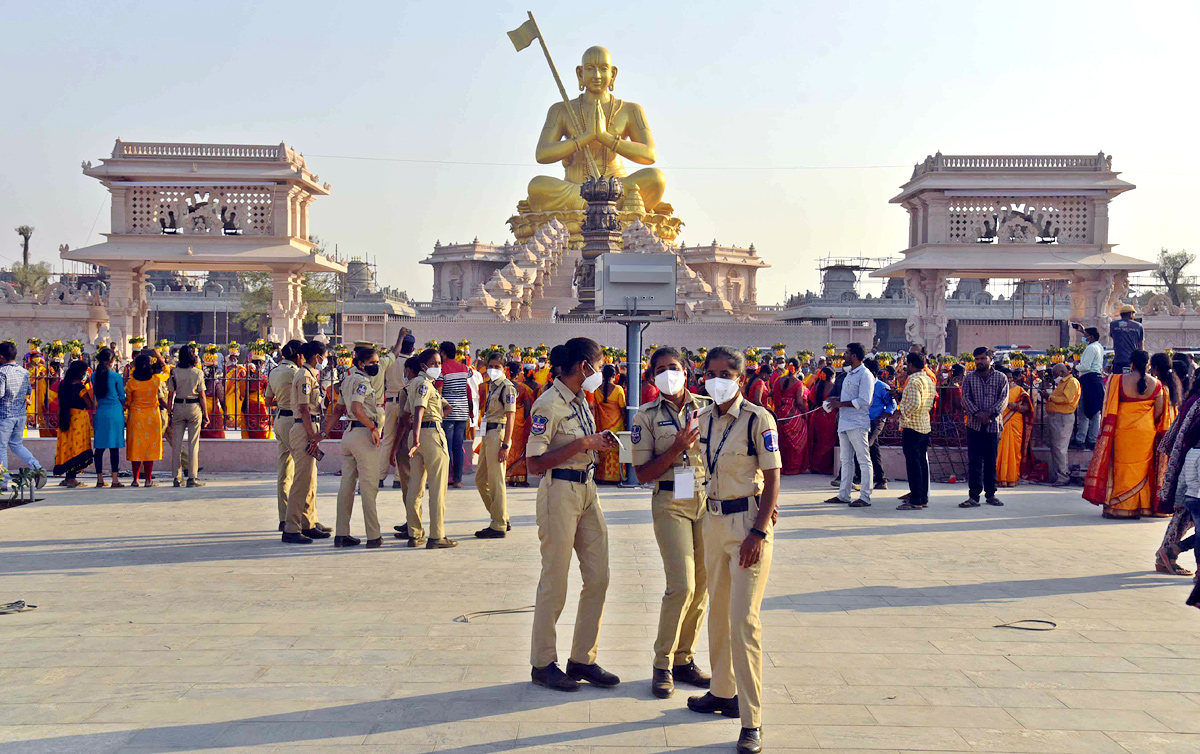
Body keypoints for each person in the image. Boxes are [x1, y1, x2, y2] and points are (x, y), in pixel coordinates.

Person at [686, 346, 780, 754]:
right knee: (718, 614)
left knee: (744, 623)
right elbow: (696, 470)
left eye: (726, 372)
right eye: (711, 372)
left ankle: (751, 719)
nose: (717, 379)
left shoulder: (757, 419)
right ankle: (722, 692)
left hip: (747, 525)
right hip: (713, 520)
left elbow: (774, 477)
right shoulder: (703, 419)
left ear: (741, 377)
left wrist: (758, 532)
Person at [526, 337, 620, 693]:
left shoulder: (581, 400)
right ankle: (543, 662)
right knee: (556, 579)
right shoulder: (548, 404)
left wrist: (598, 443)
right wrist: (582, 444)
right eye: (598, 364)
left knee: (599, 577)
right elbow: (534, 463)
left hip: (587, 489)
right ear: (584, 366)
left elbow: (584, 442)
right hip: (559, 491)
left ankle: (582, 657)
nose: (600, 370)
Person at [631, 346, 712, 700]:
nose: (669, 373)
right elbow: (641, 473)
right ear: (652, 376)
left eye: (674, 367)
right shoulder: (645, 416)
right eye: (661, 368)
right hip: (670, 500)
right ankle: (662, 662)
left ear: (686, 370)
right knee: (681, 584)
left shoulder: (708, 409)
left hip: (707, 501)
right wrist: (676, 447)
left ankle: (684, 658)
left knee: (702, 589)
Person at [1084, 350, 1170, 519]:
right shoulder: (1157, 384)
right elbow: (1159, 412)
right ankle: (1142, 506)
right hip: (1146, 432)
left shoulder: (1118, 380)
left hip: (1122, 431)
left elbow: (1109, 406)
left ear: (1131, 363)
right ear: (1148, 365)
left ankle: (1117, 506)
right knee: (1143, 469)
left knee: (1121, 467)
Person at [324, 345, 384, 548]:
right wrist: (373, 427)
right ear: (361, 364)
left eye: (377, 362)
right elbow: (358, 409)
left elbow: (338, 409)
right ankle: (374, 536)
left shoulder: (347, 380)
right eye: (372, 363)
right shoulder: (361, 382)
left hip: (348, 434)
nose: (375, 366)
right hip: (362, 434)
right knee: (369, 487)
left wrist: (323, 433)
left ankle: (342, 534)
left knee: (346, 487)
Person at [404, 348, 456, 549]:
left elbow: (409, 412)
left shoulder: (414, 384)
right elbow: (419, 410)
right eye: (434, 363)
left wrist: (414, 438)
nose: (438, 367)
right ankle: (437, 535)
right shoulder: (425, 385)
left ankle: (414, 533)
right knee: (437, 488)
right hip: (430, 435)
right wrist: (418, 436)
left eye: (439, 363)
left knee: (415, 489)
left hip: (417, 436)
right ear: (423, 365)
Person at [283, 340, 331, 544]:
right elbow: (304, 409)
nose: (326, 360)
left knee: (310, 481)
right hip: (304, 429)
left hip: (310, 427)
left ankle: (308, 523)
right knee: (301, 482)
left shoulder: (311, 375)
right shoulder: (303, 376)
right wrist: (312, 435)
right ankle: (291, 528)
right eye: (325, 356)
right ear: (316, 357)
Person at [824, 343, 875, 507]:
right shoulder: (849, 374)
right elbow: (848, 398)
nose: (844, 356)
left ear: (853, 355)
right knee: (845, 460)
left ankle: (865, 496)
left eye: (846, 353)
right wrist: (837, 401)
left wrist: (842, 404)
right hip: (845, 422)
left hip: (857, 423)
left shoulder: (865, 374)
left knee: (863, 459)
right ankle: (843, 495)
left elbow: (864, 400)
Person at [475, 350, 517, 539]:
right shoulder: (491, 386)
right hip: (488, 434)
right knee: (481, 479)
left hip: (497, 434)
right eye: (490, 366)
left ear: (504, 369)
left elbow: (511, 417)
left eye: (497, 367)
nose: (492, 370)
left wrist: (506, 444)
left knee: (496, 481)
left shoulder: (506, 387)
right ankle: (501, 516)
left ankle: (498, 523)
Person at [960, 347, 1009, 508]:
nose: (979, 362)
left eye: (982, 359)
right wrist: (977, 414)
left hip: (993, 426)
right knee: (974, 462)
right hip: (974, 425)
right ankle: (974, 496)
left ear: (990, 359)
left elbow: (1004, 399)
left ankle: (991, 494)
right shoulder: (969, 378)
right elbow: (965, 398)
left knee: (990, 461)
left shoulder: (1001, 378)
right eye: (977, 359)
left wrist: (990, 415)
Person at [0, 341, 46, 494]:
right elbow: (28, 391)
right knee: (17, 445)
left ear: (1, 358)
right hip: (20, 415)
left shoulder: (2, 373)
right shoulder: (24, 372)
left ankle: (2, 480)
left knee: (1, 447)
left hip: (5, 415)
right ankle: (37, 467)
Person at [266, 340, 303, 528]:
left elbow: (267, 400)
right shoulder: (295, 373)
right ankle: (303, 518)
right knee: (303, 470)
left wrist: (282, 400)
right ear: (298, 356)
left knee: (284, 471)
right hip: (292, 420)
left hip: (280, 417)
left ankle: (284, 516)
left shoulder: (274, 371)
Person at [896, 352, 935, 510]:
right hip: (924, 425)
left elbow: (914, 404)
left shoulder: (912, 380)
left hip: (912, 426)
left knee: (914, 464)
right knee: (921, 464)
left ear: (911, 365)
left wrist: (900, 411)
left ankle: (916, 499)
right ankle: (921, 497)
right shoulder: (927, 378)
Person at [167, 344, 208, 488]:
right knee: (193, 444)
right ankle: (192, 477)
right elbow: (202, 395)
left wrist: (169, 411)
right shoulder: (197, 373)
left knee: (176, 445)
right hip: (194, 407)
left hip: (178, 406)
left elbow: (170, 394)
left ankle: (177, 478)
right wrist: (206, 414)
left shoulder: (174, 372)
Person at [379, 329, 415, 489]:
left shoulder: (391, 361)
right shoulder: (413, 364)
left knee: (387, 439)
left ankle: (380, 476)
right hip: (405, 403)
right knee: (403, 441)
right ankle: (399, 478)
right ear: (412, 348)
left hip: (390, 402)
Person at [437, 340, 473, 489]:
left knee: (447, 447)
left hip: (448, 412)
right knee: (458, 447)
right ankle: (457, 479)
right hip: (462, 412)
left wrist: (438, 412)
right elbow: (467, 387)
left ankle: (446, 478)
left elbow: (438, 392)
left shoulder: (442, 369)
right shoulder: (464, 368)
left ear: (443, 353)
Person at [52, 360, 95, 488]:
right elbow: (90, 405)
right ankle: (72, 479)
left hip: (65, 418)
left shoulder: (63, 385)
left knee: (67, 447)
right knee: (77, 448)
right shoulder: (80, 388)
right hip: (78, 420)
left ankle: (67, 477)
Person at [125, 353, 165, 487]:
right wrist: (159, 357)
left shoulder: (132, 382)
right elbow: (167, 371)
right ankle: (148, 479)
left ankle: (135, 479)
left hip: (136, 417)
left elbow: (128, 402)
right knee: (149, 447)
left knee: (136, 447)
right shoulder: (155, 379)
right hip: (152, 417)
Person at [90, 347, 126, 489]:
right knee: (114, 448)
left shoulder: (94, 376)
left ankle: (99, 479)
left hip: (101, 412)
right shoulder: (116, 377)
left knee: (99, 448)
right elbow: (122, 397)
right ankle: (115, 479)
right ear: (112, 361)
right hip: (115, 412)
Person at [1042, 362, 1081, 487]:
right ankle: (1058, 475)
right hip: (1057, 417)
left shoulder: (1072, 382)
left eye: (1055, 375)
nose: (1054, 378)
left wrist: (1049, 397)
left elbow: (1066, 399)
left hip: (1063, 418)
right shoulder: (1063, 383)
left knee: (1060, 448)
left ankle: (1063, 476)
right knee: (1056, 448)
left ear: (1061, 372)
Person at [995, 366, 1033, 488]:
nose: (1010, 380)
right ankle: (999, 478)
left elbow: (1029, 408)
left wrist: (1016, 407)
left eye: (1011, 377)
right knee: (999, 451)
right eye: (1007, 377)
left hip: (1015, 423)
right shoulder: (996, 390)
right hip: (1000, 424)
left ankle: (1012, 478)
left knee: (1015, 451)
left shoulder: (1020, 390)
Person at [589, 364, 626, 484]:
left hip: (601, 424)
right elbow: (622, 409)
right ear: (615, 376)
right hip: (616, 424)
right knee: (614, 450)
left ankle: (600, 476)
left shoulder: (596, 389)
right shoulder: (618, 390)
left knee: (602, 448)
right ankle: (614, 477)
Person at [773, 358, 810, 475]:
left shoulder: (779, 381)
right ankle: (793, 468)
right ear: (798, 369)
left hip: (780, 414)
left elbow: (775, 397)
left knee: (781, 441)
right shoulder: (798, 383)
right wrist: (806, 412)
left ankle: (781, 466)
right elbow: (799, 402)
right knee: (797, 441)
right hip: (794, 416)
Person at [1072, 326, 1106, 450]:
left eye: (1085, 335)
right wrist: (1082, 330)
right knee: (1096, 412)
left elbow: (1086, 366)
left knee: (1085, 412)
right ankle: (1092, 439)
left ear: (1090, 337)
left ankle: (1080, 439)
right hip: (1096, 380)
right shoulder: (1099, 346)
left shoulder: (1091, 348)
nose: (1084, 338)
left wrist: (1076, 365)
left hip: (1089, 380)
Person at [865, 357, 894, 491]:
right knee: (872, 448)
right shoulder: (863, 384)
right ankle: (881, 479)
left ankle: (865, 478)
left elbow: (892, 404)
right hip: (864, 420)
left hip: (876, 421)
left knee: (868, 446)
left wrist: (884, 416)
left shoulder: (882, 387)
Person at [506, 359, 537, 487]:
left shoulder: (503, 386)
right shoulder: (522, 388)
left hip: (506, 419)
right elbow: (528, 406)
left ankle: (506, 476)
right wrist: (525, 420)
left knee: (507, 447)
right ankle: (519, 478)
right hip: (519, 422)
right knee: (520, 449)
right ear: (518, 373)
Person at [808, 368, 838, 475]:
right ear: (832, 376)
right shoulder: (833, 387)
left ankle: (815, 466)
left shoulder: (816, 387)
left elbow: (810, 400)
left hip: (817, 416)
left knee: (817, 441)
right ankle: (826, 467)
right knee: (828, 442)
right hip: (830, 417)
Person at [1109, 304, 1144, 374]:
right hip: (1132, 361)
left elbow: (1113, 336)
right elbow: (1141, 345)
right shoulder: (1138, 326)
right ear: (1131, 314)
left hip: (1118, 360)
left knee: (1118, 381)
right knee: (1131, 382)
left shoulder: (1113, 324)